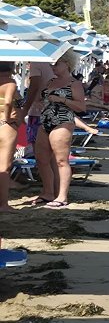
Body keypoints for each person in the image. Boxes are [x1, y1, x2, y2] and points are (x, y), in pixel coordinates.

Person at [35, 52, 87, 209]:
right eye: (52, 64)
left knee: (61, 160)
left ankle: (62, 196)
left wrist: (62, 100)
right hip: (45, 120)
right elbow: (41, 97)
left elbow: (81, 107)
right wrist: (39, 101)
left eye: (56, 64)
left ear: (67, 64)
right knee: (42, 159)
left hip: (63, 121)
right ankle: (48, 192)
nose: (53, 67)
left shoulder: (74, 84)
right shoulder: (51, 81)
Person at [0, 63, 23, 212]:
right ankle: (3, 204)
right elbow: (8, 102)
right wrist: (6, 118)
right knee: (4, 167)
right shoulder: (10, 83)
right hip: (5, 127)